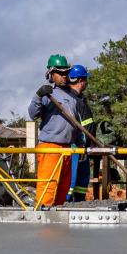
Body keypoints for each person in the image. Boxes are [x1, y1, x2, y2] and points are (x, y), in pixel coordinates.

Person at [27, 54, 81, 208]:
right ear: (51, 74)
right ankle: (44, 224)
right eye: (60, 73)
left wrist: (78, 142)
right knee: (48, 188)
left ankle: (57, 223)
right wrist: (38, 95)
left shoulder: (71, 96)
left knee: (63, 189)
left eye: (66, 72)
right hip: (50, 147)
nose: (64, 76)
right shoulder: (48, 93)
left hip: (67, 149)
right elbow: (32, 114)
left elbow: (74, 123)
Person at [66, 64, 93, 202]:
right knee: (72, 181)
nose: (87, 83)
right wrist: (82, 145)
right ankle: (66, 203)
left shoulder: (79, 99)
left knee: (82, 182)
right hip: (77, 148)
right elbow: (81, 127)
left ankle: (80, 203)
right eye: (86, 80)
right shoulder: (73, 101)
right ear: (81, 80)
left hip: (83, 148)